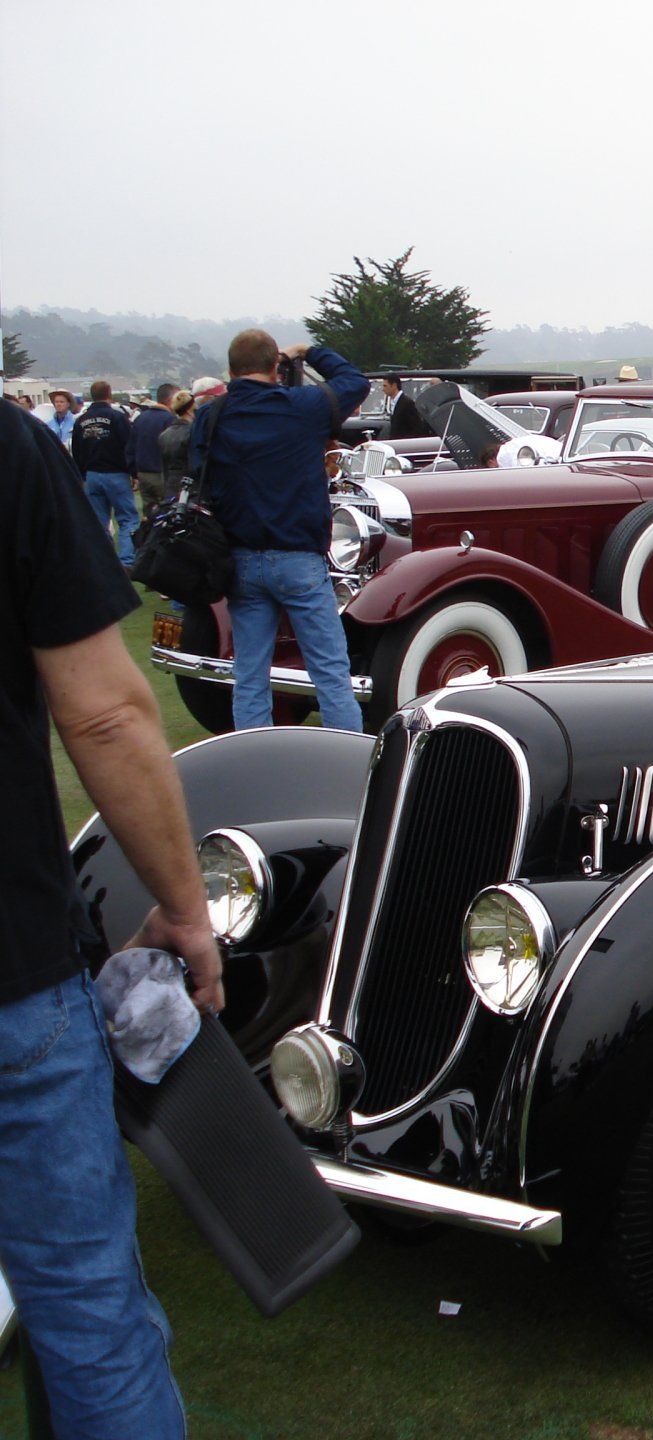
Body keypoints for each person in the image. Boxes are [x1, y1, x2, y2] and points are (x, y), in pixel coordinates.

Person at [0, 398, 223, 1439]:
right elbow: (102, 708)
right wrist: (186, 910)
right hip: (10, 967)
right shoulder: (7, 445)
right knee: (87, 1310)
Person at [192, 329, 368, 732]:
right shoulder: (302, 407)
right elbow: (354, 382)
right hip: (298, 556)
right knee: (330, 674)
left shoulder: (210, 415)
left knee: (250, 675)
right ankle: (346, 761)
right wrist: (309, 351)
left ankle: (254, 758)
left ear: (232, 370)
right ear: (276, 367)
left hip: (238, 555)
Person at [70, 380, 139, 566]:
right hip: (116, 474)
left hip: (91, 475)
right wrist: (134, 473)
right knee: (127, 519)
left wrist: (82, 475)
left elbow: (76, 450)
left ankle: (105, 562)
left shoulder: (81, 421)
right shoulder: (117, 417)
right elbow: (129, 446)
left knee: (99, 522)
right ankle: (127, 561)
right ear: (109, 394)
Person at [129, 383, 179, 517]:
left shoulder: (140, 418)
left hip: (143, 473)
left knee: (150, 514)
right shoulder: (170, 419)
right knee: (169, 512)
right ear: (171, 399)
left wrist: (134, 474)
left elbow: (131, 447)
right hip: (162, 474)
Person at [157, 386, 196, 503]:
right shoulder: (192, 433)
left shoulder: (164, 434)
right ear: (190, 410)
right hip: (190, 487)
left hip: (170, 486)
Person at [381, 375, 432, 440]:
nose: (383, 389)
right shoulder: (394, 402)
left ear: (394, 385)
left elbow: (416, 428)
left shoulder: (407, 403)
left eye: (385, 386)